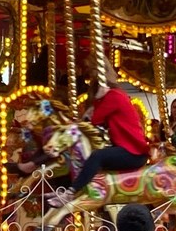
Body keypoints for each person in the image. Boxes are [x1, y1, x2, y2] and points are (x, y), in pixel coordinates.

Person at [46, 57, 149, 208]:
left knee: (96, 156)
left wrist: (97, 101)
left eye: (93, 75)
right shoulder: (112, 96)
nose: (90, 79)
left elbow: (95, 119)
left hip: (134, 152)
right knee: (79, 158)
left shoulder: (114, 96)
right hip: (126, 148)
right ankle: (69, 191)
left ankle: (70, 193)